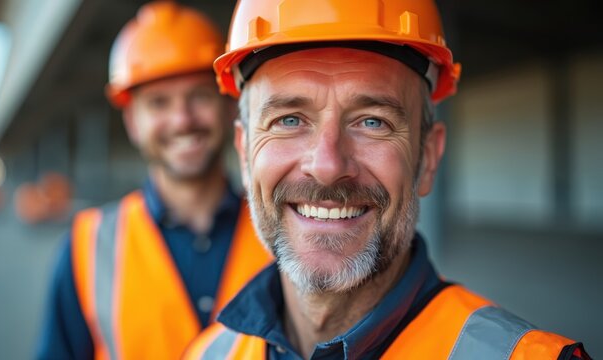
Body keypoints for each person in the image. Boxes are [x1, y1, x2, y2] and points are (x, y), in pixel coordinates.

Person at [183, 0, 591, 358]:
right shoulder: (208, 354)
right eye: (289, 120)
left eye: (373, 121)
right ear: (244, 154)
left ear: (427, 157)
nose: (327, 166)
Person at [36, 2, 271, 359]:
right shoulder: (88, 247)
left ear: (227, 105)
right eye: (159, 103)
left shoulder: (282, 230)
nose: (182, 120)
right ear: (132, 121)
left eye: (199, 96)